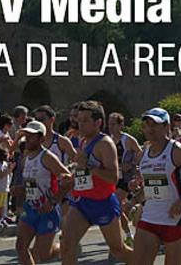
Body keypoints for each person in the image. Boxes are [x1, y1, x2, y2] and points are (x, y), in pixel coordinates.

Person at [131, 108, 181, 265]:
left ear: (166, 127)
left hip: (174, 217)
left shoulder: (178, 151)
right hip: (150, 216)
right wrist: (132, 200)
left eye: (154, 125)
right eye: (146, 125)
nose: (149, 129)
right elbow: (149, 187)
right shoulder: (144, 153)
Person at [60, 101, 133, 265]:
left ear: (98, 122)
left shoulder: (105, 144)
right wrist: (71, 178)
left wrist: (89, 165)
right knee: (66, 244)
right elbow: (84, 172)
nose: (80, 124)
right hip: (81, 202)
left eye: (85, 120)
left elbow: (113, 177)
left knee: (118, 250)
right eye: (79, 120)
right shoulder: (83, 141)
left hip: (102, 203)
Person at [15, 120, 73, 265]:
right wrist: (20, 190)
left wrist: (53, 201)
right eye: (26, 134)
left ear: (41, 138)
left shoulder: (47, 157)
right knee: (21, 247)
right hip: (30, 208)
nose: (27, 138)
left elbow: (69, 180)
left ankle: (64, 246)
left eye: (31, 135)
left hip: (48, 211)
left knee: (44, 255)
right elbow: (32, 184)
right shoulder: (26, 157)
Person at [35, 105, 77, 219]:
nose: (39, 123)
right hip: (40, 191)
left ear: (52, 119)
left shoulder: (61, 141)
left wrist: (66, 169)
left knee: (62, 225)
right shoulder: (34, 142)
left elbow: (77, 162)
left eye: (42, 119)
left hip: (59, 191)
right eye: (36, 120)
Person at [109, 112, 142, 247]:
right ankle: (128, 235)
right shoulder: (108, 140)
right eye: (109, 124)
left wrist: (133, 164)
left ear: (121, 125)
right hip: (113, 178)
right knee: (117, 209)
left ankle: (123, 238)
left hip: (126, 179)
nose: (110, 127)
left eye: (113, 124)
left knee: (114, 204)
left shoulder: (127, 140)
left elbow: (141, 153)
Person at [0, 147, 13, 226]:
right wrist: (9, 170)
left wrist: (10, 169)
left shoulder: (5, 164)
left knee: (2, 204)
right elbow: (1, 175)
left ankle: (2, 218)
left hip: (5, 187)